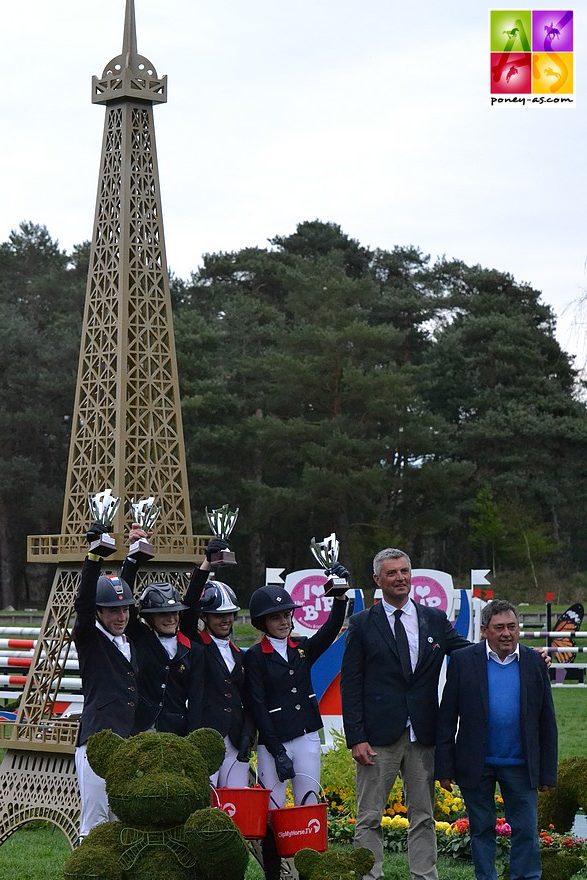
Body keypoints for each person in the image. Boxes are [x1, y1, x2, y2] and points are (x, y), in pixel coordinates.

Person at [340, 548, 470, 880]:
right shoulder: (361, 624)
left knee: (424, 816)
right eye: (392, 573)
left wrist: (516, 652)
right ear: (377, 579)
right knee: (369, 816)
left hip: (422, 732)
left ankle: (424, 875)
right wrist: (356, 737)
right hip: (377, 738)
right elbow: (351, 684)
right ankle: (370, 875)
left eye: (404, 571)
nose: (400, 578)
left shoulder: (435, 619)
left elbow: (466, 653)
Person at [435, 599, 557, 880]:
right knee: (481, 828)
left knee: (526, 829)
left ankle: (525, 877)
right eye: (499, 627)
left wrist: (547, 771)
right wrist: (444, 766)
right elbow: (447, 716)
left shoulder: (534, 663)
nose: (506, 633)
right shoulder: (464, 662)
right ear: (484, 630)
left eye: (512, 627)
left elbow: (546, 721)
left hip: (521, 764)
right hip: (476, 763)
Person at [244, 567, 349, 880]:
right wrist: (276, 751)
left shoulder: (301, 647)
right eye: (277, 617)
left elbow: (330, 631)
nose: (284, 621)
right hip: (273, 741)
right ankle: (274, 874)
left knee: (308, 807)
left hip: (305, 736)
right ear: (264, 622)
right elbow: (258, 705)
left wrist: (340, 597)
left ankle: (308, 872)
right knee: (273, 813)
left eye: (287, 615)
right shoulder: (254, 656)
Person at [73, 524, 140, 840]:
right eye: (112, 611)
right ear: (99, 614)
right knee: (96, 824)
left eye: (124, 609)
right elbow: (85, 602)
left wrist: (134, 557)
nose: (121, 616)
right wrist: (94, 556)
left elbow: (120, 590)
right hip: (97, 743)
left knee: (121, 823)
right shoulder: (89, 638)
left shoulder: (126, 640)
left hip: (126, 744)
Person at [180, 538, 255, 788]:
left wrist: (247, 733)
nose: (225, 621)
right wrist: (205, 566)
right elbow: (187, 609)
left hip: (235, 738)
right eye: (218, 615)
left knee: (237, 805)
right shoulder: (197, 645)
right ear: (205, 617)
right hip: (204, 736)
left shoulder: (239, 654)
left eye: (229, 615)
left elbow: (246, 698)